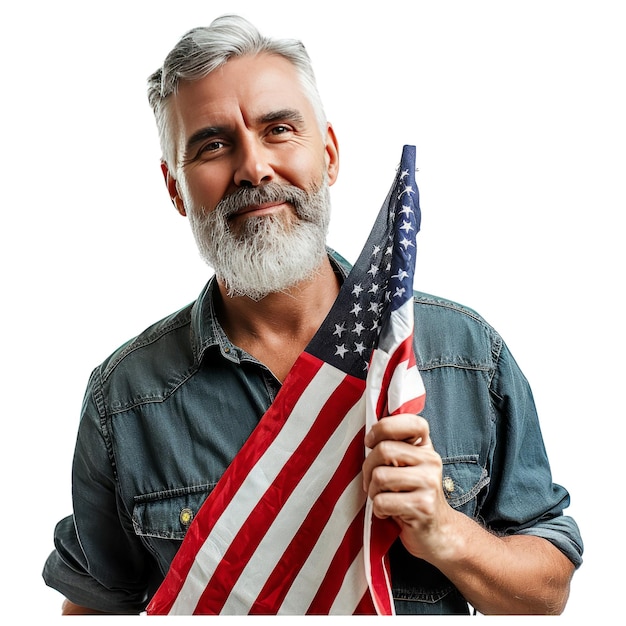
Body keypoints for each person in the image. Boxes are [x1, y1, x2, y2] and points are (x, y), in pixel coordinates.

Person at [42, 14, 583, 615]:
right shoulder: (124, 399)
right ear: (175, 188)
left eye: (279, 129)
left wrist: (448, 536)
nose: (254, 168)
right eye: (213, 144)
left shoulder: (466, 354)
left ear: (328, 153)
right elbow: (92, 607)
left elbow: (548, 592)